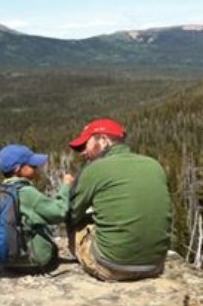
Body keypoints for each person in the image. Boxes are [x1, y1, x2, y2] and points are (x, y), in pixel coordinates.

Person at [66, 118, 171, 281]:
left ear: (103, 140)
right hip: (155, 265)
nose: (83, 152)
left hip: (110, 266)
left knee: (76, 225)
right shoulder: (154, 164)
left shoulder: (94, 169)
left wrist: (67, 187)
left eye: (85, 144)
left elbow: (70, 213)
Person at [0, 144, 74, 273]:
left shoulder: (0, 192)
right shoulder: (27, 192)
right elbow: (59, 213)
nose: (36, 168)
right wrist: (66, 186)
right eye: (32, 165)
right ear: (18, 169)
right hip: (35, 260)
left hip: (6, 261)